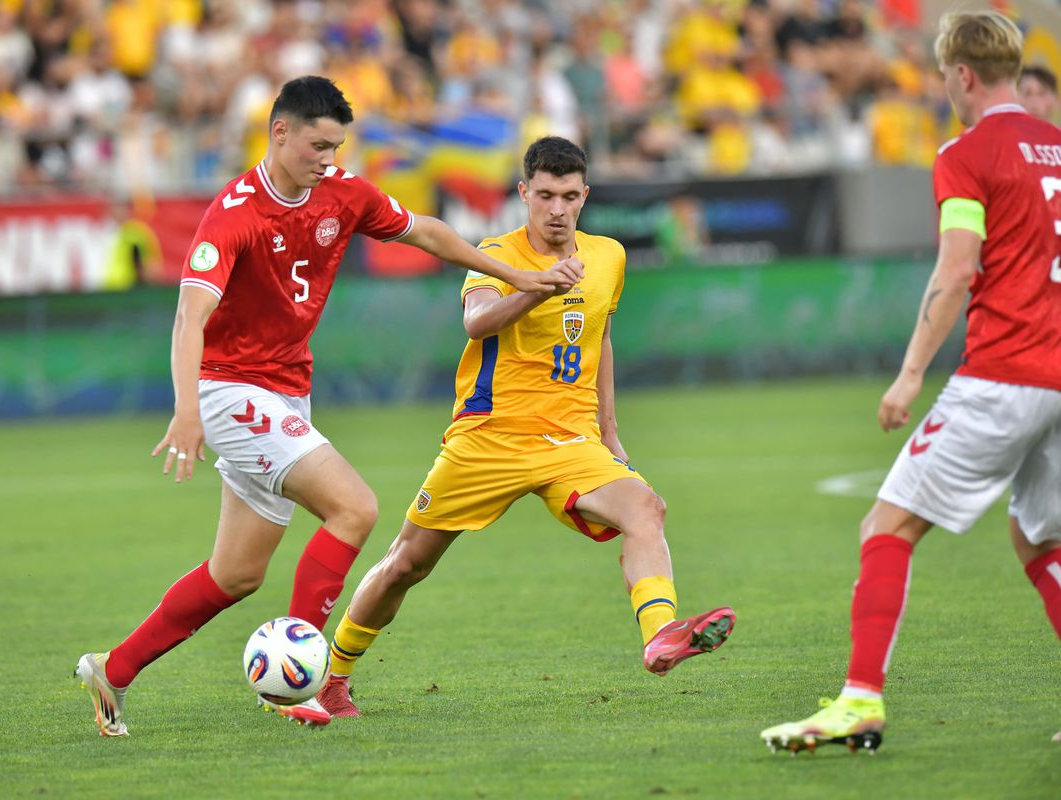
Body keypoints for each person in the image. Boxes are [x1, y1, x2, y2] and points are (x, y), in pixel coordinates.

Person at [75, 76, 582, 735]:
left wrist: (514, 274)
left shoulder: (342, 193)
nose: (327, 158)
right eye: (317, 144)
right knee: (355, 507)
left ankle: (112, 670)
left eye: (336, 145)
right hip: (229, 390)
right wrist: (188, 409)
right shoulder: (234, 214)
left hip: (286, 390)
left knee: (235, 574)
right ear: (278, 132)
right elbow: (188, 319)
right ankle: (301, 685)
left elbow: (424, 232)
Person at [315, 136, 736, 719]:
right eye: (545, 195)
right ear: (524, 194)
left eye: (569, 196)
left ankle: (660, 635)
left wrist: (609, 430)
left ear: (585, 195)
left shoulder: (607, 257)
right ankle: (334, 676)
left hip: (570, 439)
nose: (557, 209)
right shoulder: (496, 252)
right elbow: (476, 320)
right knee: (407, 563)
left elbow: (599, 336)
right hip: (488, 437)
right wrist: (535, 288)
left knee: (647, 509)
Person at [761, 11, 1061, 755]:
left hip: (1003, 374)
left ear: (960, 74)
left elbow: (958, 267)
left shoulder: (967, 153)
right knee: (1038, 539)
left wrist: (909, 374)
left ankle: (860, 700)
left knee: (886, 527)